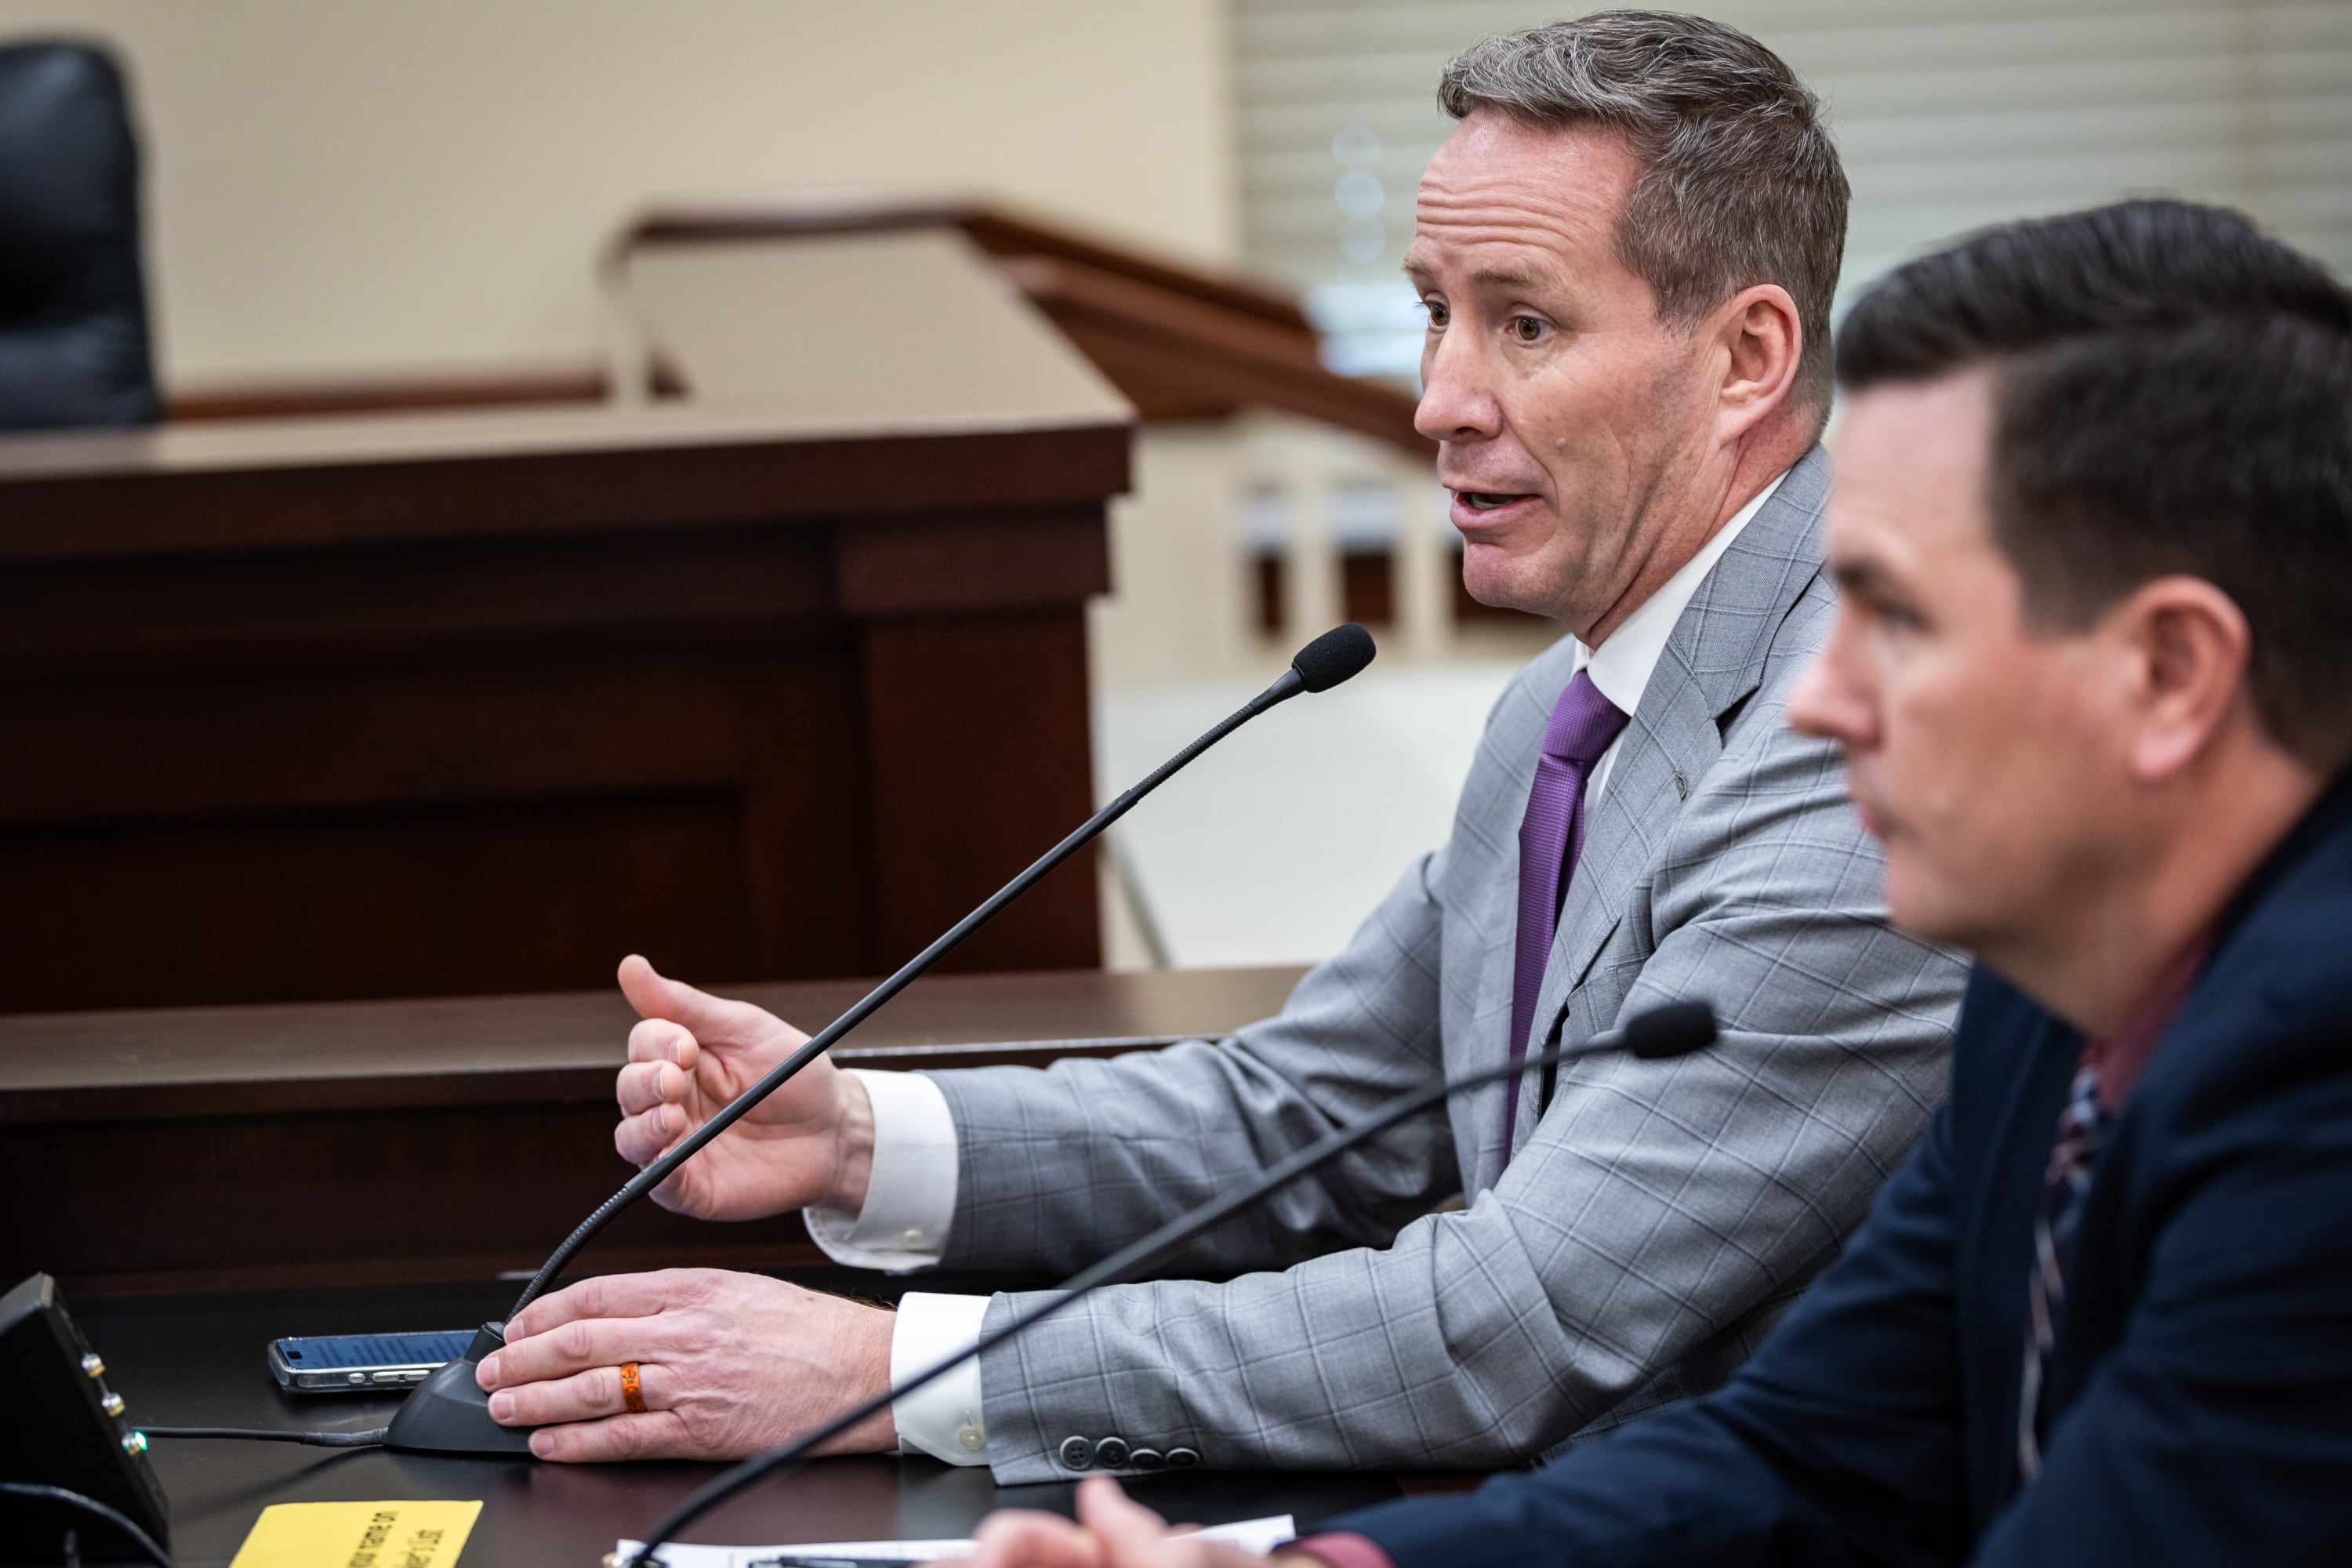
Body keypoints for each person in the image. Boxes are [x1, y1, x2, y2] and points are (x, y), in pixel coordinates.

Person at [473, 13, 1965, 1477]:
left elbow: (1515, 1323)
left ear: (1747, 358)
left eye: (1526, 322)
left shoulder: (1857, 754)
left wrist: (879, 1372)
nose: (1440, 400)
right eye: (1437, 312)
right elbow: (1316, 1111)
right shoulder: (1574, 704)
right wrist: (858, 1133)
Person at [960, 198, 2352, 1566]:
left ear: (2170, 676)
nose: (1824, 702)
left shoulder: (2313, 1085)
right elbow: (1809, 1454)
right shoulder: (2055, 994)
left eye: (1901, 619)